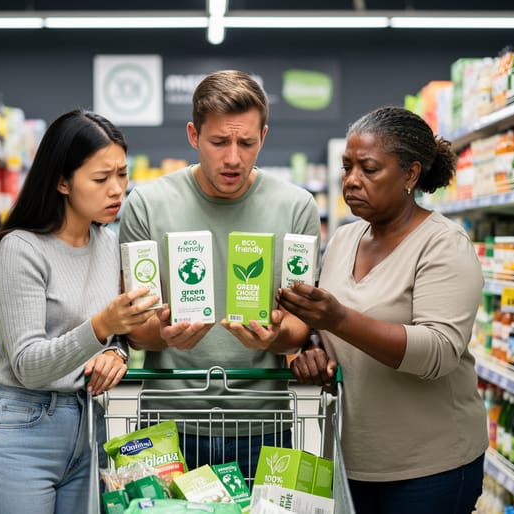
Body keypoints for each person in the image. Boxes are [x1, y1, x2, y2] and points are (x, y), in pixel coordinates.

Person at [278, 106, 487, 513]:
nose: (352, 181)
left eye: (369, 169)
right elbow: (329, 329)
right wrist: (313, 348)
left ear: (410, 175)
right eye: (347, 167)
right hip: (351, 458)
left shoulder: (443, 245)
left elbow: (439, 352)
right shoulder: (342, 239)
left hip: (429, 467)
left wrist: (338, 319)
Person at [118, 69, 321, 477]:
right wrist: (163, 333)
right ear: (194, 136)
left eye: (247, 143)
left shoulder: (297, 206)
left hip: (263, 424)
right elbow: (136, 330)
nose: (233, 158)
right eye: (218, 142)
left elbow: (300, 327)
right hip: (167, 425)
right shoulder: (146, 204)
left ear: (263, 137)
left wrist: (277, 335)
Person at [0, 109, 158, 514]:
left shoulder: (109, 245)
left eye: (122, 175)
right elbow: (28, 365)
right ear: (62, 181)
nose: (117, 190)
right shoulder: (20, 250)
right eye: (101, 178)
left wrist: (116, 351)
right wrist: (102, 327)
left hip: (90, 423)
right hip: (22, 430)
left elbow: (113, 336)